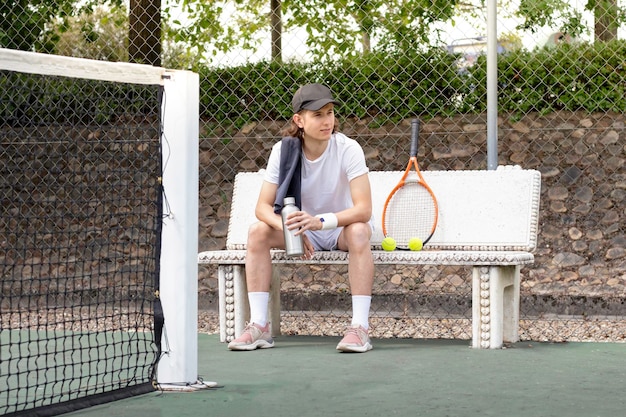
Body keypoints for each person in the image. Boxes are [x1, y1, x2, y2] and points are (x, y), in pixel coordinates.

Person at [227, 83, 375, 353]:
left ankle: (359, 328)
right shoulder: (282, 152)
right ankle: (260, 326)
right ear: (299, 120)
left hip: (337, 228)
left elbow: (364, 209)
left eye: (330, 113)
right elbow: (262, 208)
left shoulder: (348, 149)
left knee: (360, 231)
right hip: (300, 230)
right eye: (318, 115)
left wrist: (320, 222)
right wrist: (291, 230)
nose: (327, 121)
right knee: (257, 232)